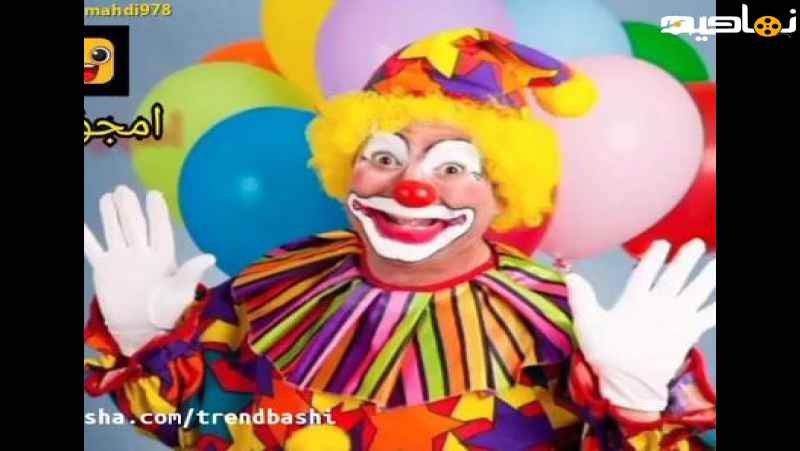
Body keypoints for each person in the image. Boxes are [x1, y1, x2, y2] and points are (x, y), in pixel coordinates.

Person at [83, 29, 716, 450]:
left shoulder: (569, 321)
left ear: (503, 191)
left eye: (452, 167)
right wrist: (144, 342)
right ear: (347, 167)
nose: (411, 188)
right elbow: (199, 427)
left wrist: (639, 405)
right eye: (385, 157)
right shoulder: (275, 283)